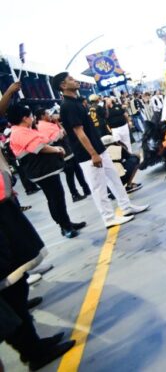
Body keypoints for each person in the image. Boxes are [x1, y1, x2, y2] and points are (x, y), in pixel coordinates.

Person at [0, 83, 77, 369]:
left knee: (14, 285)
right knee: (9, 288)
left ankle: (32, 344)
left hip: (4, 208)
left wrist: (9, 92)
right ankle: (32, 351)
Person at [52, 72, 149, 229]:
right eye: (71, 79)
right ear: (63, 85)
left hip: (99, 149)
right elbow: (79, 133)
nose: (75, 80)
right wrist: (93, 154)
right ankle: (108, 218)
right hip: (88, 155)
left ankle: (126, 206)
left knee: (114, 179)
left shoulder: (77, 102)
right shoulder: (67, 106)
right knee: (98, 187)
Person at [7, 105, 87, 238]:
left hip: (45, 169)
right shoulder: (19, 132)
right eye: (30, 116)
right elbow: (39, 147)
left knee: (57, 196)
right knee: (54, 198)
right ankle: (65, 227)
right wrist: (57, 150)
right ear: (25, 118)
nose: (32, 119)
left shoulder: (23, 130)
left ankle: (66, 223)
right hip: (41, 171)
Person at [34, 108, 91, 203]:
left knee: (77, 170)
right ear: (42, 116)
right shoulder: (43, 126)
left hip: (66, 149)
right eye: (47, 114)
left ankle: (85, 188)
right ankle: (74, 193)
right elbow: (59, 135)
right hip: (62, 151)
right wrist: (59, 126)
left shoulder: (47, 124)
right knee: (70, 173)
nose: (49, 115)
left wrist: (57, 123)